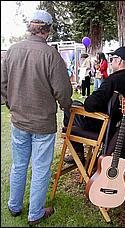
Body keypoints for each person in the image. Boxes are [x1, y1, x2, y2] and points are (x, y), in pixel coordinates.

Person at [1, 10, 72, 226]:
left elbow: (2, 85)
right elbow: (62, 90)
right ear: (47, 30)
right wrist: (67, 107)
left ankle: (14, 206)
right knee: (40, 168)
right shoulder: (50, 54)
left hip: (19, 120)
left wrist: (11, 104)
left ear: (31, 28)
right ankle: (35, 214)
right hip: (42, 123)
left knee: (19, 165)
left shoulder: (12, 50)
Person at [64, 46, 125, 164]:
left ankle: (78, 153)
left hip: (101, 125)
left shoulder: (113, 80)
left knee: (70, 106)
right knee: (76, 105)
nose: (111, 62)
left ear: (119, 60)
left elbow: (90, 105)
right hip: (118, 126)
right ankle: (78, 152)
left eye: (112, 59)